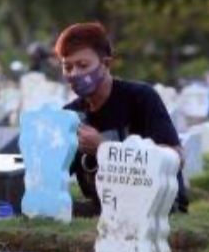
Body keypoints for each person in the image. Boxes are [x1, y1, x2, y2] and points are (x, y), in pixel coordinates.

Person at [56, 22, 188, 216]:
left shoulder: (140, 98)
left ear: (106, 64)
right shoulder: (70, 115)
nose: (74, 74)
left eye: (83, 65)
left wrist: (105, 148)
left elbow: (176, 157)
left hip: (157, 206)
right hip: (105, 208)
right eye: (67, 67)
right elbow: (53, 175)